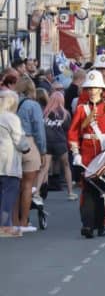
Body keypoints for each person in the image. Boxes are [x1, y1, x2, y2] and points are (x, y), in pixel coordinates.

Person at [68, 70, 105, 238]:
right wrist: (75, 152)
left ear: (101, 89)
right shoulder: (81, 109)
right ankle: (87, 225)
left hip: (104, 152)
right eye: (89, 88)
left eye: (95, 88)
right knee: (87, 189)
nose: (92, 91)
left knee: (102, 190)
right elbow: (73, 132)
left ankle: (101, 224)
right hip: (86, 153)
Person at [14, 76, 46, 232]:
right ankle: (23, 221)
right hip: (29, 142)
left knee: (14, 186)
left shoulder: (11, 103)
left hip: (12, 144)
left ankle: (13, 220)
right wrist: (43, 150)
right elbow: (39, 130)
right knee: (27, 186)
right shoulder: (33, 105)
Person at [0, 90, 30, 237]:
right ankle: (5, 227)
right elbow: (20, 141)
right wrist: (26, 148)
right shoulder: (11, 118)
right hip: (7, 162)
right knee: (8, 194)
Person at [41, 91, 76, 200]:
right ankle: (70, 192)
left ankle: (37, 192)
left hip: (48, 143)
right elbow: (67, 129)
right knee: (66, 166)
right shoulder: (65, 113)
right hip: (60, 143)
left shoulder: (45, 113)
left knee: (45, 168)